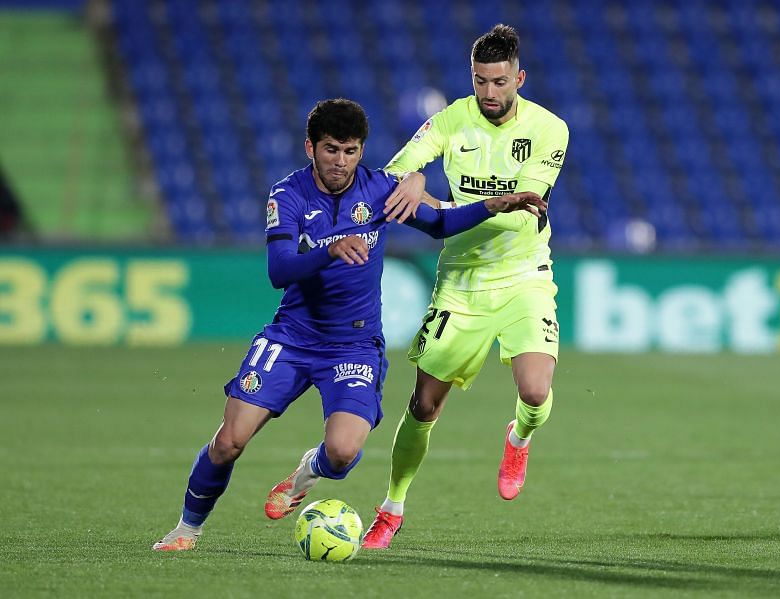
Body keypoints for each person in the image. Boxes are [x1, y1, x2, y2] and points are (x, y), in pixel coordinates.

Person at [152, 98, 545, 551]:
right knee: (228, 442)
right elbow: (279, 270)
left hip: (354, 345)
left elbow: (438, 222)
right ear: (310, 148)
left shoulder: (380, 190)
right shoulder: (288, 195)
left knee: (341, 454)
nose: (340, 162)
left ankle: (307, 471)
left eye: (350, 151)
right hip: (293, 336)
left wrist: (494, 204)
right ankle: (187, 529)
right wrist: (330, 250)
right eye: (331, 150)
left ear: (362, 151)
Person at [362, 24, 570, 549]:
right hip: (461, 282)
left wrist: (435, 208)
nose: (490, 93)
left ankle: (518, 437)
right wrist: (411, 179)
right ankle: (392, 506)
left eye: (500, 82)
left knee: (535, 390)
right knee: (424, 405)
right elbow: (392, 176)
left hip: (525, 275)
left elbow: (521, 211)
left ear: (518, 78)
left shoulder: (550, 130)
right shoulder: (452, 119)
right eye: (481, 81)